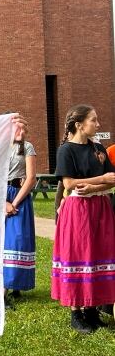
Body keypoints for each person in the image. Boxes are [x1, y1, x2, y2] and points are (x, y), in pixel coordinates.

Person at [52, 104, 115, 334]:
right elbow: (68, 183)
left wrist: (92, 186)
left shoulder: (98, 148)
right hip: (78, 209)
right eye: (93, 120)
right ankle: (76, 313)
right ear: (79, 125)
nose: (98, 125)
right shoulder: (66, 151)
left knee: (98, 253)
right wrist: (100, 179)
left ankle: (91, 309)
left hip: (100, 206)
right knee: (79, 254)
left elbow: (113, 179)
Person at [2, 128, 37, 308]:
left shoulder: (28, 147)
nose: (22, 131)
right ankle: (2, 291)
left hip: (20, 196)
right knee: (1, 243)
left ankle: (15, 284)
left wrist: (13, 203)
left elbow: (31, 179)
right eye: (17, 127)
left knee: (18, 240)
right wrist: (3, 204)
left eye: (24, 128)